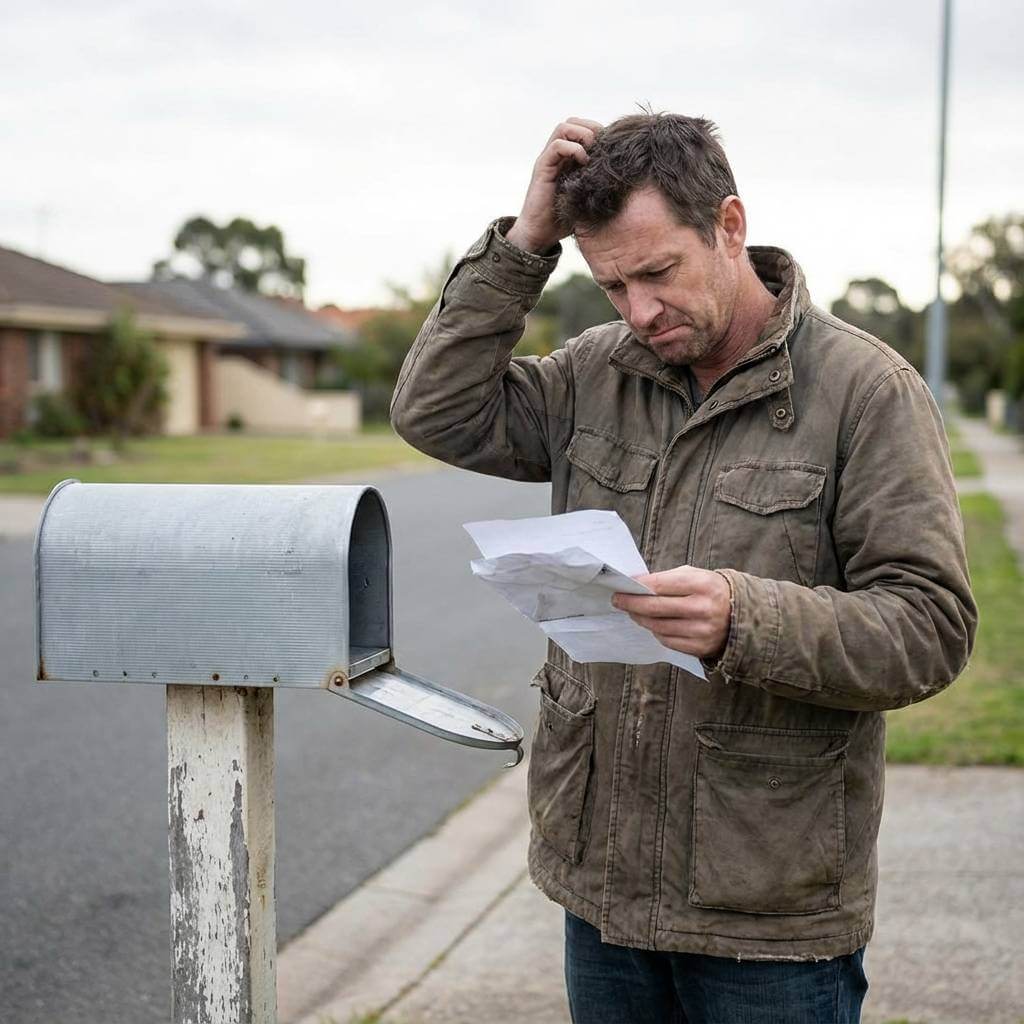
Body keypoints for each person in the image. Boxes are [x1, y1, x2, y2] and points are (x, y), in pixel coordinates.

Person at [390, 113, 977, 1024]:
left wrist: (745, 619)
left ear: (729, 226)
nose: (638, 310)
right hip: (605, 889)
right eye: (612, 284)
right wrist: (525, 244)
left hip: (769, 914)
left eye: (657, 272)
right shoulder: (595, 373)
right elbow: (435, 410)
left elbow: (930, 628)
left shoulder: (867, 392)